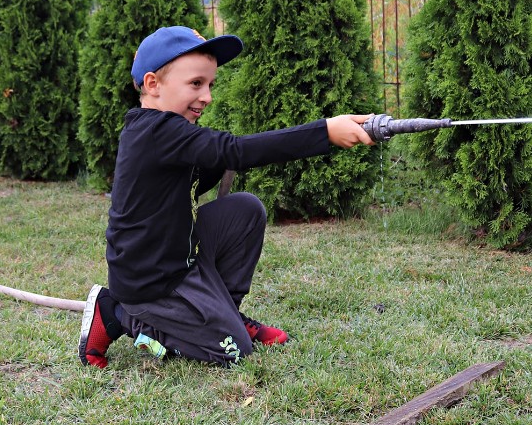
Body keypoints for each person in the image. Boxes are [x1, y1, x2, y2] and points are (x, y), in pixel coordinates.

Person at [78, 25, 375, 368]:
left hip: (179, 258)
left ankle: (225, 313)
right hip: (152, 283)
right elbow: (234, 151)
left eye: (210, 85)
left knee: (245, 210)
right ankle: (118, 314)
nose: (207, 96)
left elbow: (199, 176)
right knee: (234, 352)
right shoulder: (156, 130)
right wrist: (325, 132)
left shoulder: (169, 131)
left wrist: (216, 156)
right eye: (196, 84)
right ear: (153, 84)